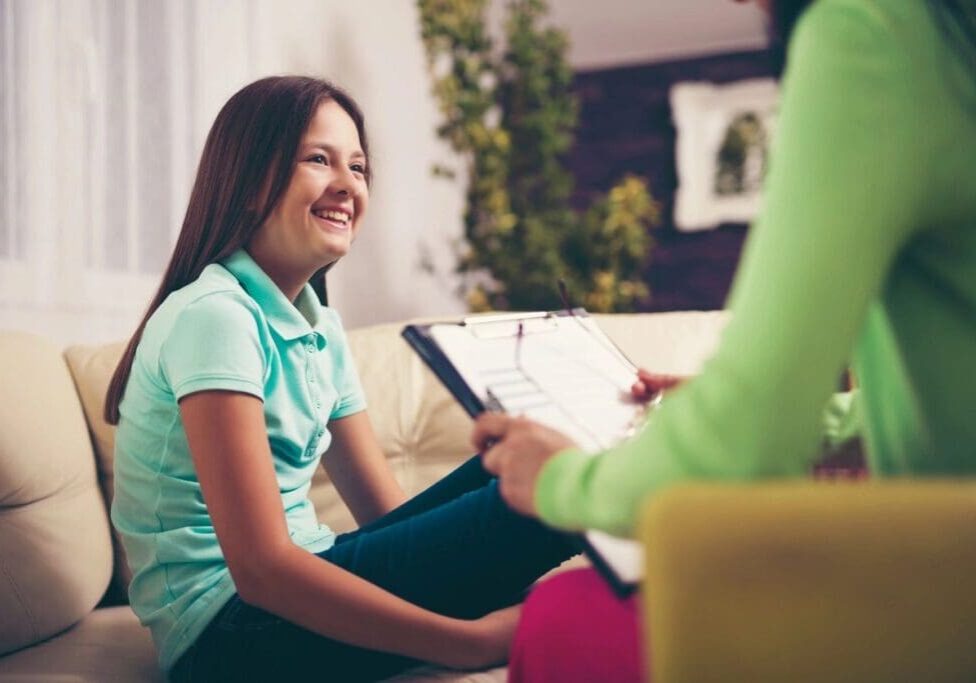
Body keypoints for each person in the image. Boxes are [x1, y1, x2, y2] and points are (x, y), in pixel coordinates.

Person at [472, 0, 976, 680]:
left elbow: (751, 436)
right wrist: (766, 404)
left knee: (562, 617)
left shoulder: (870, 32)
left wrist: (562, 478)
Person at [104, 76, 576, 682]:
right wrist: (468, 641)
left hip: (302, 579)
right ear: (249, 183)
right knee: (556, 484)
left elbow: (388, 520)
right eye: (318, 159)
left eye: (358, 166)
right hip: (226, 636)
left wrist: (472, 559)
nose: (348, 184)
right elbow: (262, 571)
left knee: (528, 460)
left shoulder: (318, 327)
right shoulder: (214, 316)